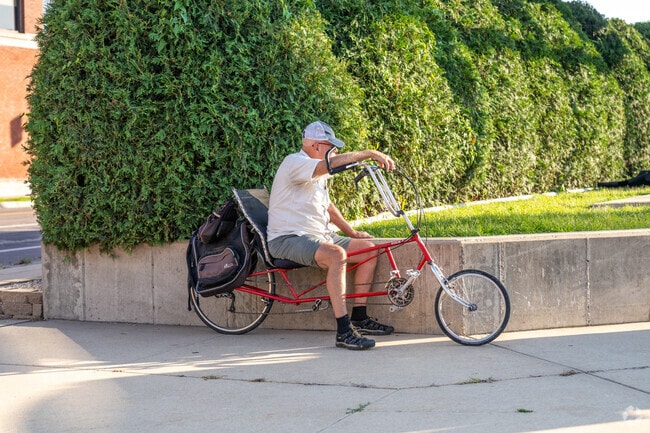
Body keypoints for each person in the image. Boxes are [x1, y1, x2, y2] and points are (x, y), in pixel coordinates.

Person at [267, 120, 396, 350]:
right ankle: (344, 332)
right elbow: (330, 164)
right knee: (337, 255)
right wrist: (367, 153)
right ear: (316, 146)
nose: (335, 151)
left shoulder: (317, 172)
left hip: (319, 235)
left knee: (370, 250)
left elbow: (328, 207)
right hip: (288, 238)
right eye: (331, 146)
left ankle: (359, 317)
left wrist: (353, 232)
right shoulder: (295, 162)